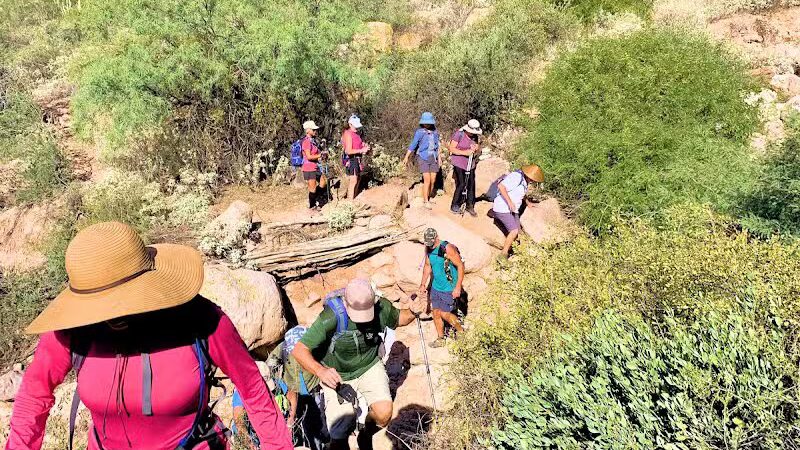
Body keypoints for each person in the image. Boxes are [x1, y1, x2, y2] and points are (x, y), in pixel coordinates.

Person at [6, 221, 293, 450]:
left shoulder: (201, 320)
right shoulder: (74, 330)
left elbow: (252, 388)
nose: (111, 313)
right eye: (100, 303)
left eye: (119, 299)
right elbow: (34, 394)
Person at [292, 279, 425, 450]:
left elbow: (399, 318)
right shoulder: (331, 316)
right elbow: (299, 350)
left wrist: (413, 311)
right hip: (337, 374)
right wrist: (321, 371)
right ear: (346, 304)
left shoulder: (380, 307)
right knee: (340, 434)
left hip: (369, 365)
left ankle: (365, 435)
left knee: (384, 413)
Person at [232, 326, 325, 450]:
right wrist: (247, 440)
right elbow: (239, 420)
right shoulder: (241, 393)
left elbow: (291, 394)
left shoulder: (276, 383)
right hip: (253, 437)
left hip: (310, 391)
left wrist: (291, 417)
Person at [418, 228, 465, 348]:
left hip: (448, 287)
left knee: (445, 313)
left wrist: (458, 287)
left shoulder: (447, 248)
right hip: (436, 287)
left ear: (436, 238)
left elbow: (460, 265)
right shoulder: (428, 248)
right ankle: (440, 338)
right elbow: (428, 266)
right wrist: (423, 284)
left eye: (431, 243)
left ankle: (461, 331)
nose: (430, 246)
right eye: (427, 244)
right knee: (436, 313)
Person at [492, 164, 544, 258]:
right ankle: (503, 255)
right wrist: (509, 202)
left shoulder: (524, 181)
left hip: (513, 210)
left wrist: (528, 203)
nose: (533, 180)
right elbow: (501, 186)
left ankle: (516, 252)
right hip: (503, 208)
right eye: (532, 178)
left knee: (518, 233)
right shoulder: (516, 176)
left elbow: (521, 193)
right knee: (514, 231)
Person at [403, 112, 441, 209]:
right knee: (427, 179)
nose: (426, 124)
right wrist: (406, 156)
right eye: (425, 122)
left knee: (433, 180)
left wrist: (439, 158)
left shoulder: (435, 132)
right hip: (423, 157)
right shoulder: (419, 132)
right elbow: (413, 144)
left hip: (433, 157)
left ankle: (429, 195)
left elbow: (438, 146)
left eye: (428, 122)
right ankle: (425, 201)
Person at [449, 119, 482, 216]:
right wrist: (465, 153)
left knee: (471, 183)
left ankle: (470, 205)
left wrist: (476, 149)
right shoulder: (459, 134)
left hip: (470, 163)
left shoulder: (475, 136)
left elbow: (476, 149)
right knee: (461, 183)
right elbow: (452, 148)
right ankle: (455, 204)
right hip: (459, 162)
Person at [342, 114, 370, 200]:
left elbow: (358, 145)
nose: (356, 127)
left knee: (357, 179)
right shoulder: (348, 134)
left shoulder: (356, 134)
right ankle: (350, 201)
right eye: (355, 125)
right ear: (350, 124)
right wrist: (361, 150)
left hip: (358, 159)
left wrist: (364, 147)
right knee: (353, 180)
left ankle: (354, 198)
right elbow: (348, 151)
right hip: (352, 159)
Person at [301, 120, 323, 211]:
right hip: (309, 167)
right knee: (312, 188)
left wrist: (320, 157)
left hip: (315, 166)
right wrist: (320, 155)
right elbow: (309, 156)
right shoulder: (306, 142)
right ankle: (312, 205)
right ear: (307, 131)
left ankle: (316, 199)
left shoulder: (313, 142)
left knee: (323, 182)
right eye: (313, 129)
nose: (315, 131)